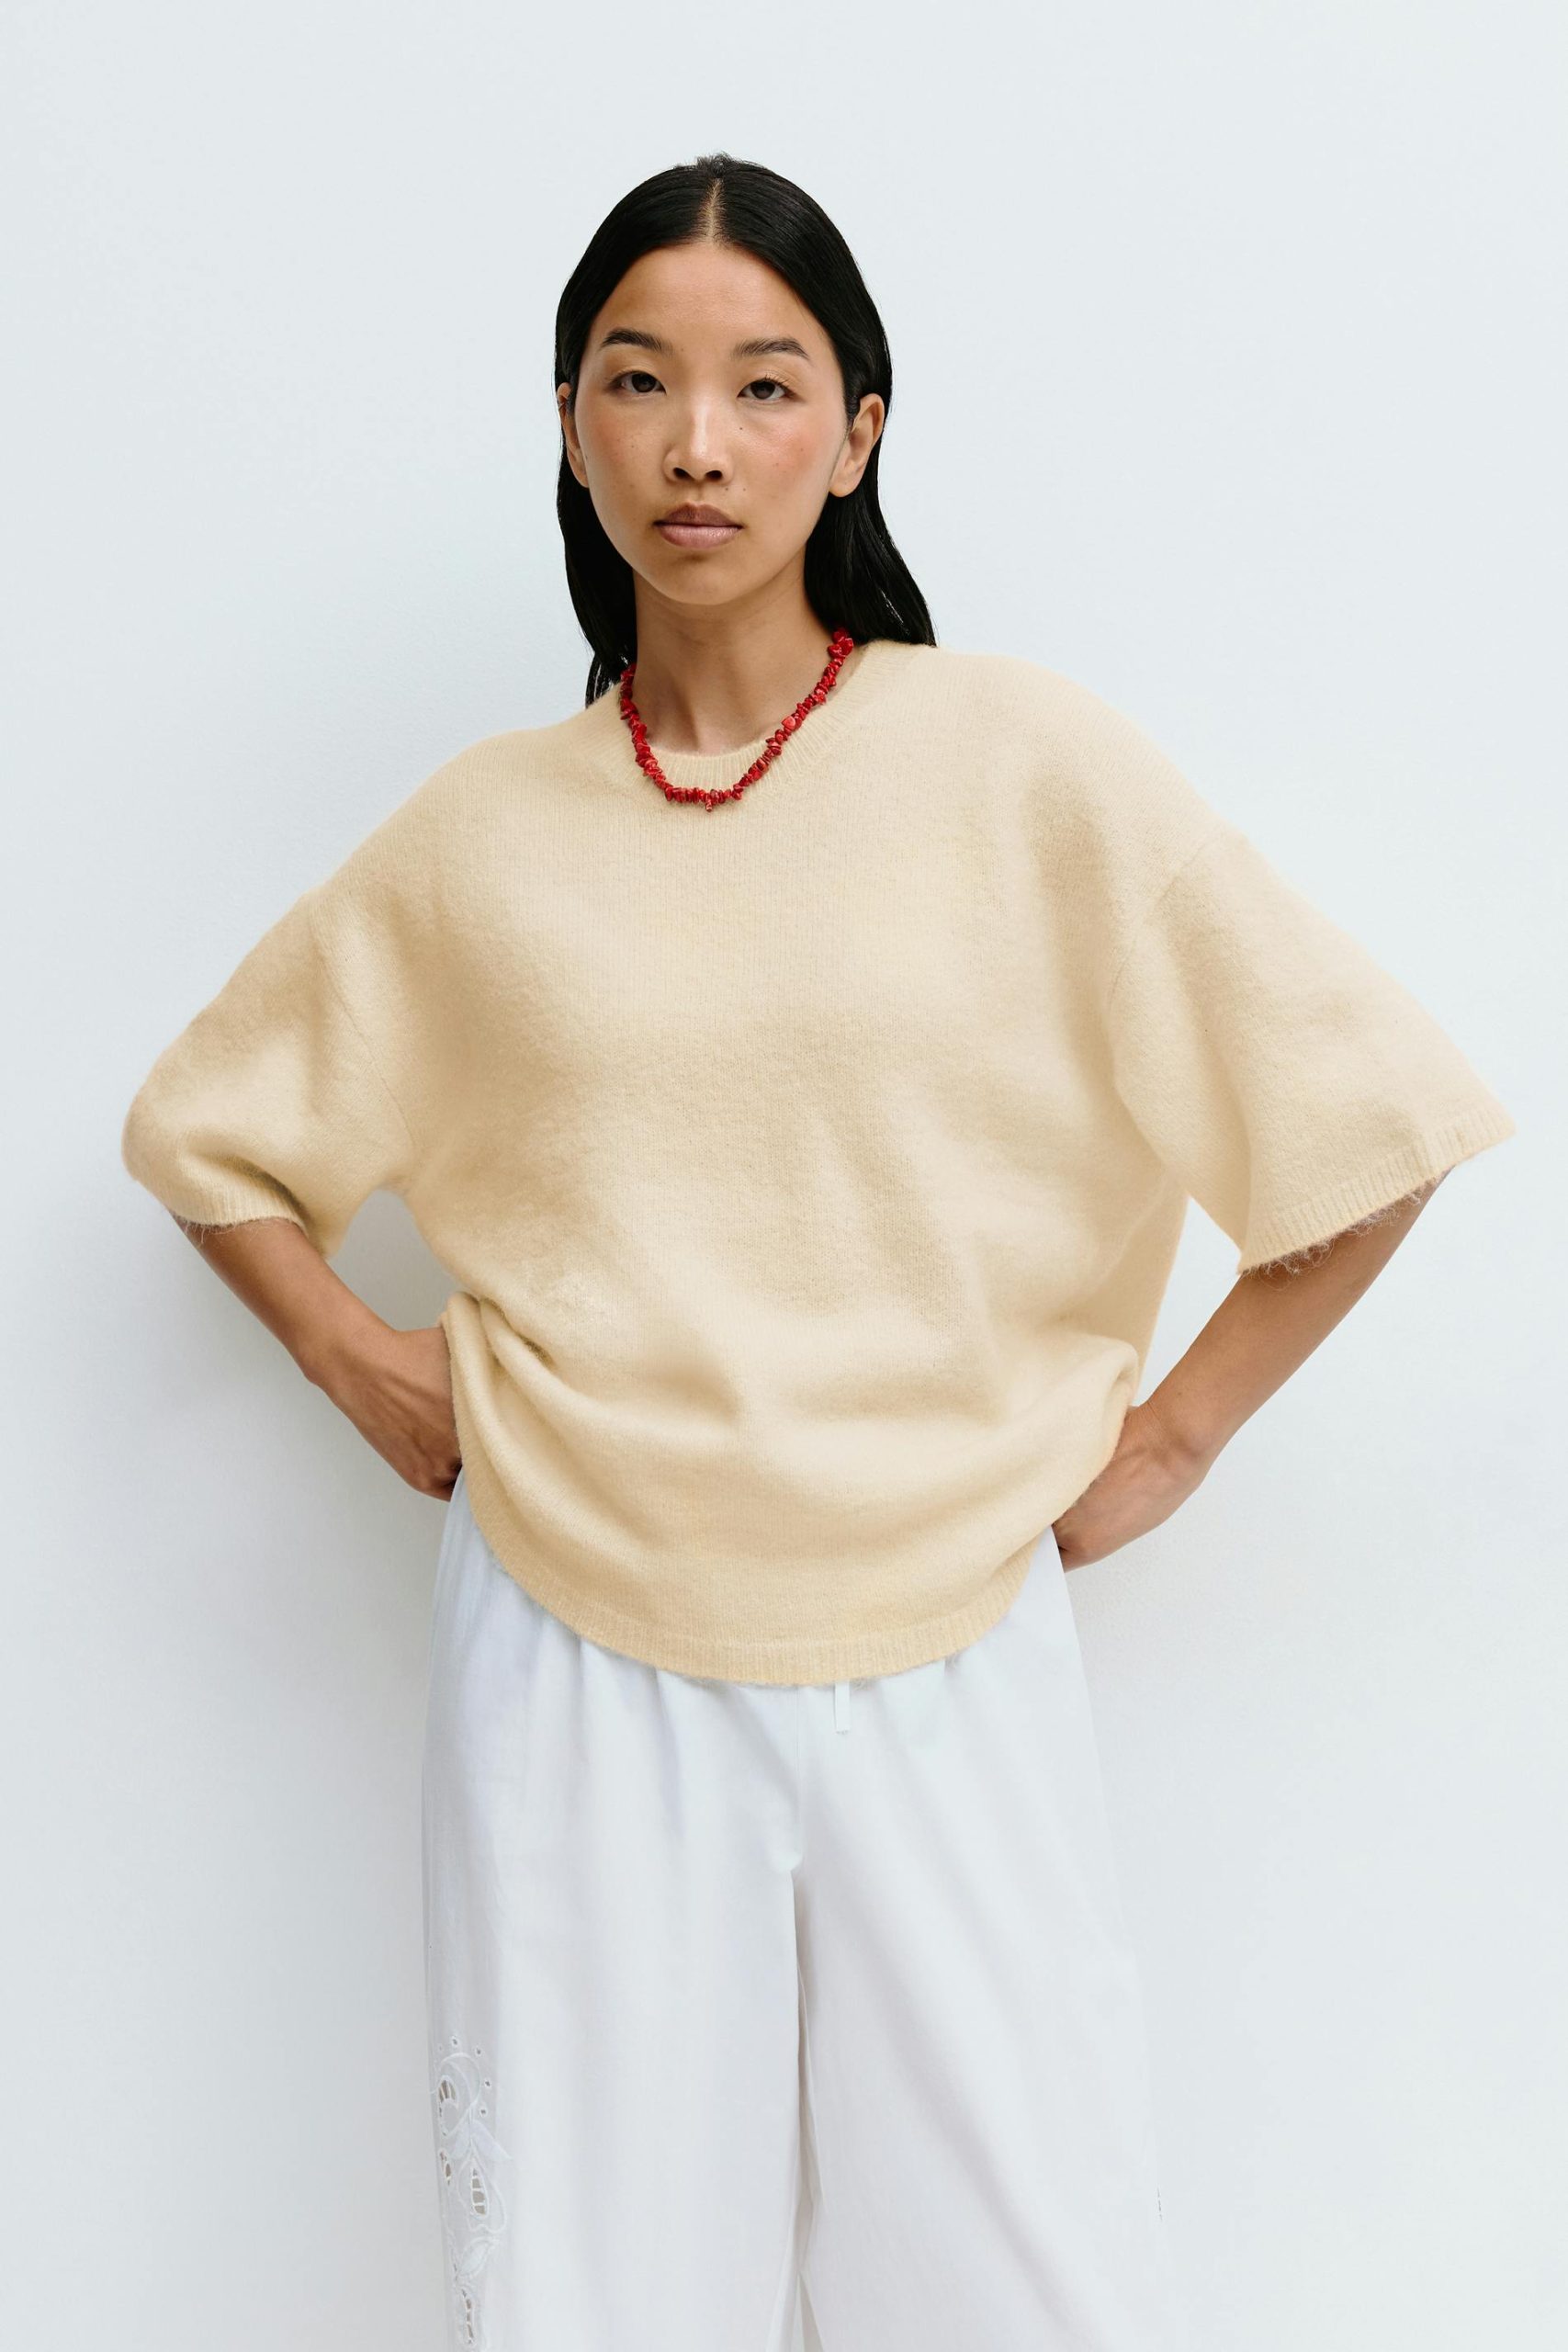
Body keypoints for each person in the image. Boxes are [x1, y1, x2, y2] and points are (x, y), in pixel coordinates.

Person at [119, 153, 1516, 2352]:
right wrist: (352, 1355)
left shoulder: (1016, 764)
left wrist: (1171, 1439)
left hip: (946, 1625)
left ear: (856, 430)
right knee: (586, 2290)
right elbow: (208, 1135)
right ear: (570, 426)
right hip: (570, 1628)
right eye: (637, 380)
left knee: (1020, 2278)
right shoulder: (482, 834)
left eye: (764, 385)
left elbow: (1365, 1121)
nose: (696, 443)